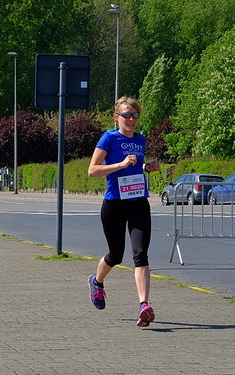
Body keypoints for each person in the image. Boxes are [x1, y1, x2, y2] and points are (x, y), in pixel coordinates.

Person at [87, 96, 160, 327]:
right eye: (127, 115)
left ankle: (144, 306)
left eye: (135, 115)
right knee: (116, 255)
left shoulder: (140, 140)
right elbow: (93, 170)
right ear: (117, 117)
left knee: (140, 253)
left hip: (138, 202)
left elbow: (137, 166)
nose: (131, 119)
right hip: (115, 204)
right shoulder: (109, 138)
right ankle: (97, 282)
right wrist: (119, 165)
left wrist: (147, 167)